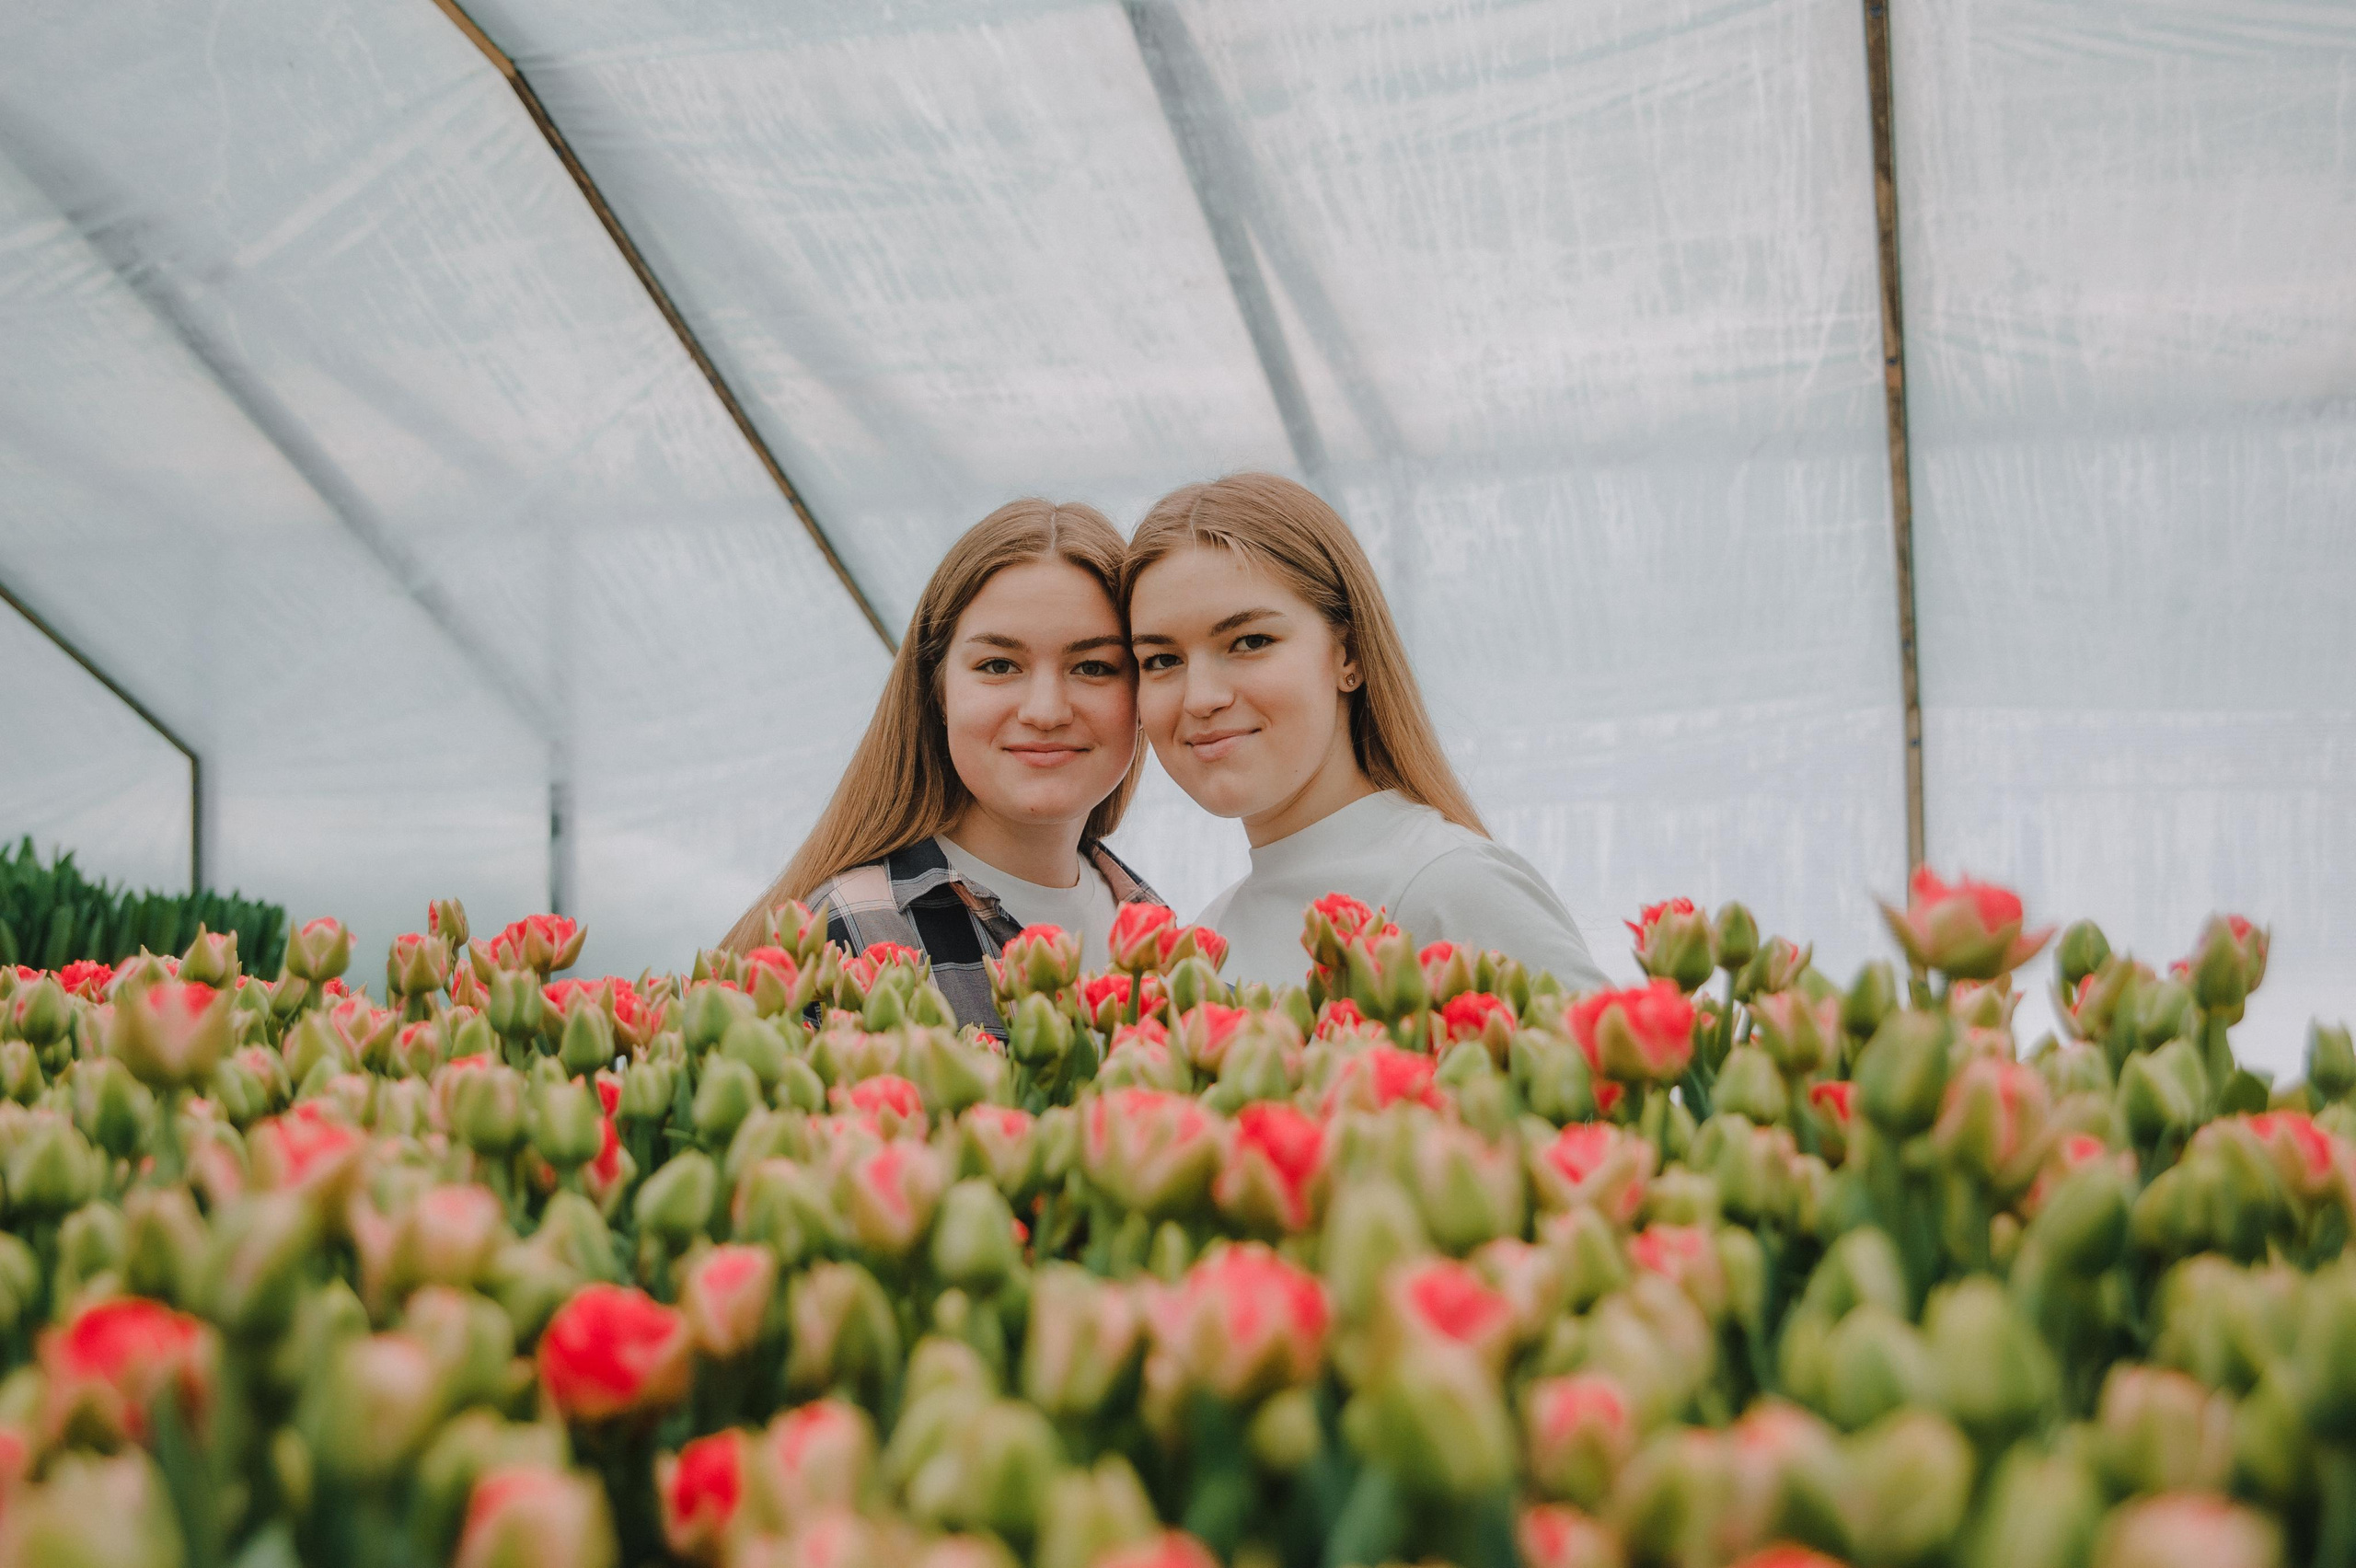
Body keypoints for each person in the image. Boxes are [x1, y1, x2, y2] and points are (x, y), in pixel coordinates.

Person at [1122, 472, 1606, 993]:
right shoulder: (1209, 937)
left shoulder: (1450, 886)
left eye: (1250, 641)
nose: (1200, 698)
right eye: (1162, 659)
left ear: (1347, 655)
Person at [723, 499, 1163, 1035]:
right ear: (939, 691)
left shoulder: (1153, 924)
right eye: (999, 666)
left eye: (1094, 667)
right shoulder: (854, 932)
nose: (1045, 711)